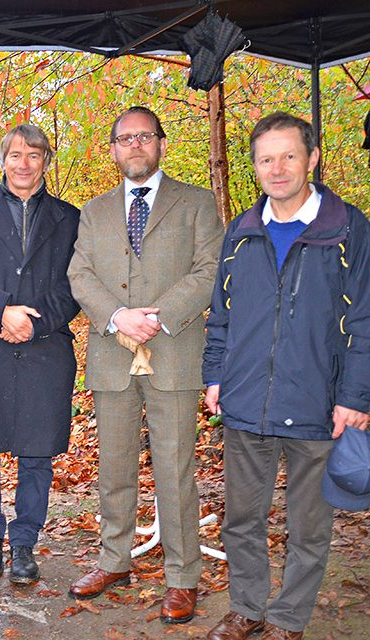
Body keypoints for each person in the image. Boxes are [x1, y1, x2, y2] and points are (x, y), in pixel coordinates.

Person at [201, 112, 370, 640]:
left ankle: (289, 619)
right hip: (247, 399)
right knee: (242, 520)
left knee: (309, 527)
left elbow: (365, 318)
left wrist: (355, 395)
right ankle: (247, 608)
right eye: (266, 159)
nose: (278, 168)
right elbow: (222, 313)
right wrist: (215, 375)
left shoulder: (347, 229)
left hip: (322, 404)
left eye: (289, 155)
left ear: (312, 158)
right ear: (254, 167)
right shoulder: (242, 231)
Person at [66, 106, 223, 623]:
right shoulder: (93, 211)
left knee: (175, 468)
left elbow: (208, 271)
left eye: (144, 136)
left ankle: (182, 575)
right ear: (113, 149)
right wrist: (116, 317)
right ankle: (114, 559)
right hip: (112, 353)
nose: (135, 145)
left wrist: (157, 317)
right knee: (113, 467)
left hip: (173, 351)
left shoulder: (197, 203)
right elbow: (80, 274)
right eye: (124, 138)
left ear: (160, 144)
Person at [0, 124, 80, 583]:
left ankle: (24, 543)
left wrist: (34, 322)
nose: (24, 164)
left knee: (36, 451)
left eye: (34, 155)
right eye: (15, 155)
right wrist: (3, 311)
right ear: (2, 160)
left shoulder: (70, 219)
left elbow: (76, 285)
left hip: (45, 349)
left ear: (46, 161)